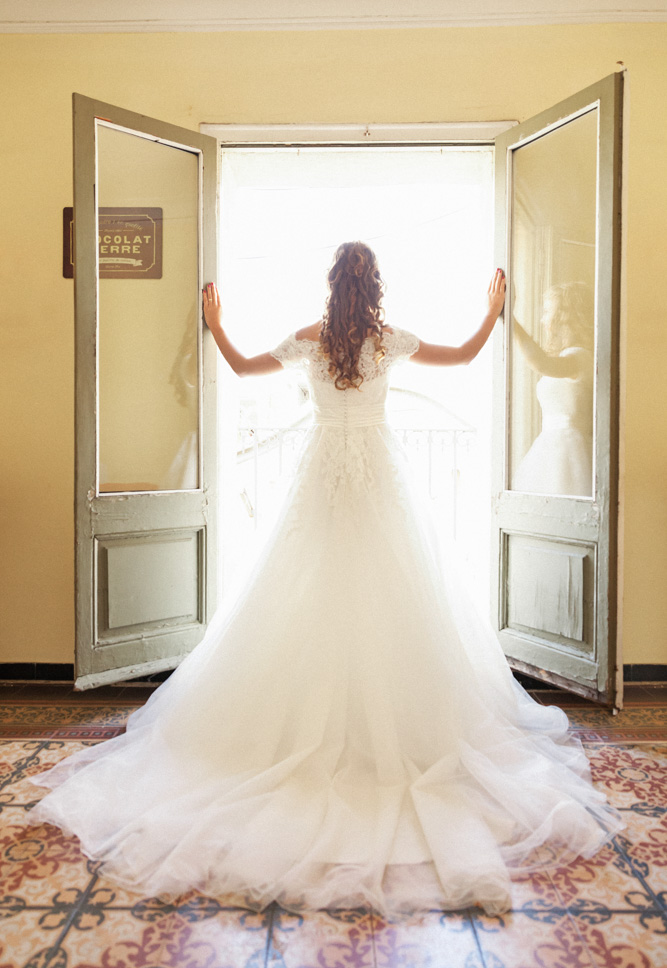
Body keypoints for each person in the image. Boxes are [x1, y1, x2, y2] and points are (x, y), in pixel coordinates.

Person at [26, 243, 622, 920]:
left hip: (322, 474)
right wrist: (490, 315)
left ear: (332, 286)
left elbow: (242, 366)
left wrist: (215, 323)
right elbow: (461, 355)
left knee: (305, 590)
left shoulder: (311, 340)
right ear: (372, 288)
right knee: (389, 593)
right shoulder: (388, 339)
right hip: (378, 475)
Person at [512, 282, 595, 497]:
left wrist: (510, 320)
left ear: (565, 317)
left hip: (570, 455)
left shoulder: (581, 357)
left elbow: (541, 364)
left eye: (548, 311)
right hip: (550, 451)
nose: (542, 319)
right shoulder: (568, 357)